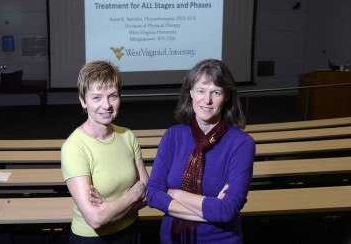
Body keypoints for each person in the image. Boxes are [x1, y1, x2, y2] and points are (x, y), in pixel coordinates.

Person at [146, 59, 255, 244]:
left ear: (226, 96)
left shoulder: (242, 144)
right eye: (201, 91)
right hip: (171, 239)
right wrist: (211, 211)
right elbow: (153, 194)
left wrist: (174, 193)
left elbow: (226, 210)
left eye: (216, 92)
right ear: (190, 93)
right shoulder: (173, 136)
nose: (207, 100)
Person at [61, 60, 149, 244]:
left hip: (131, 231)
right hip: (93, 239)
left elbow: (147, 193)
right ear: (83, 101)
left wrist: (108, 208)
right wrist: (133, 195)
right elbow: (96, 219)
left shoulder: (127, 136)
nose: (106, 105)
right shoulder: (74, 147)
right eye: (96, 97)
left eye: (113, 96)